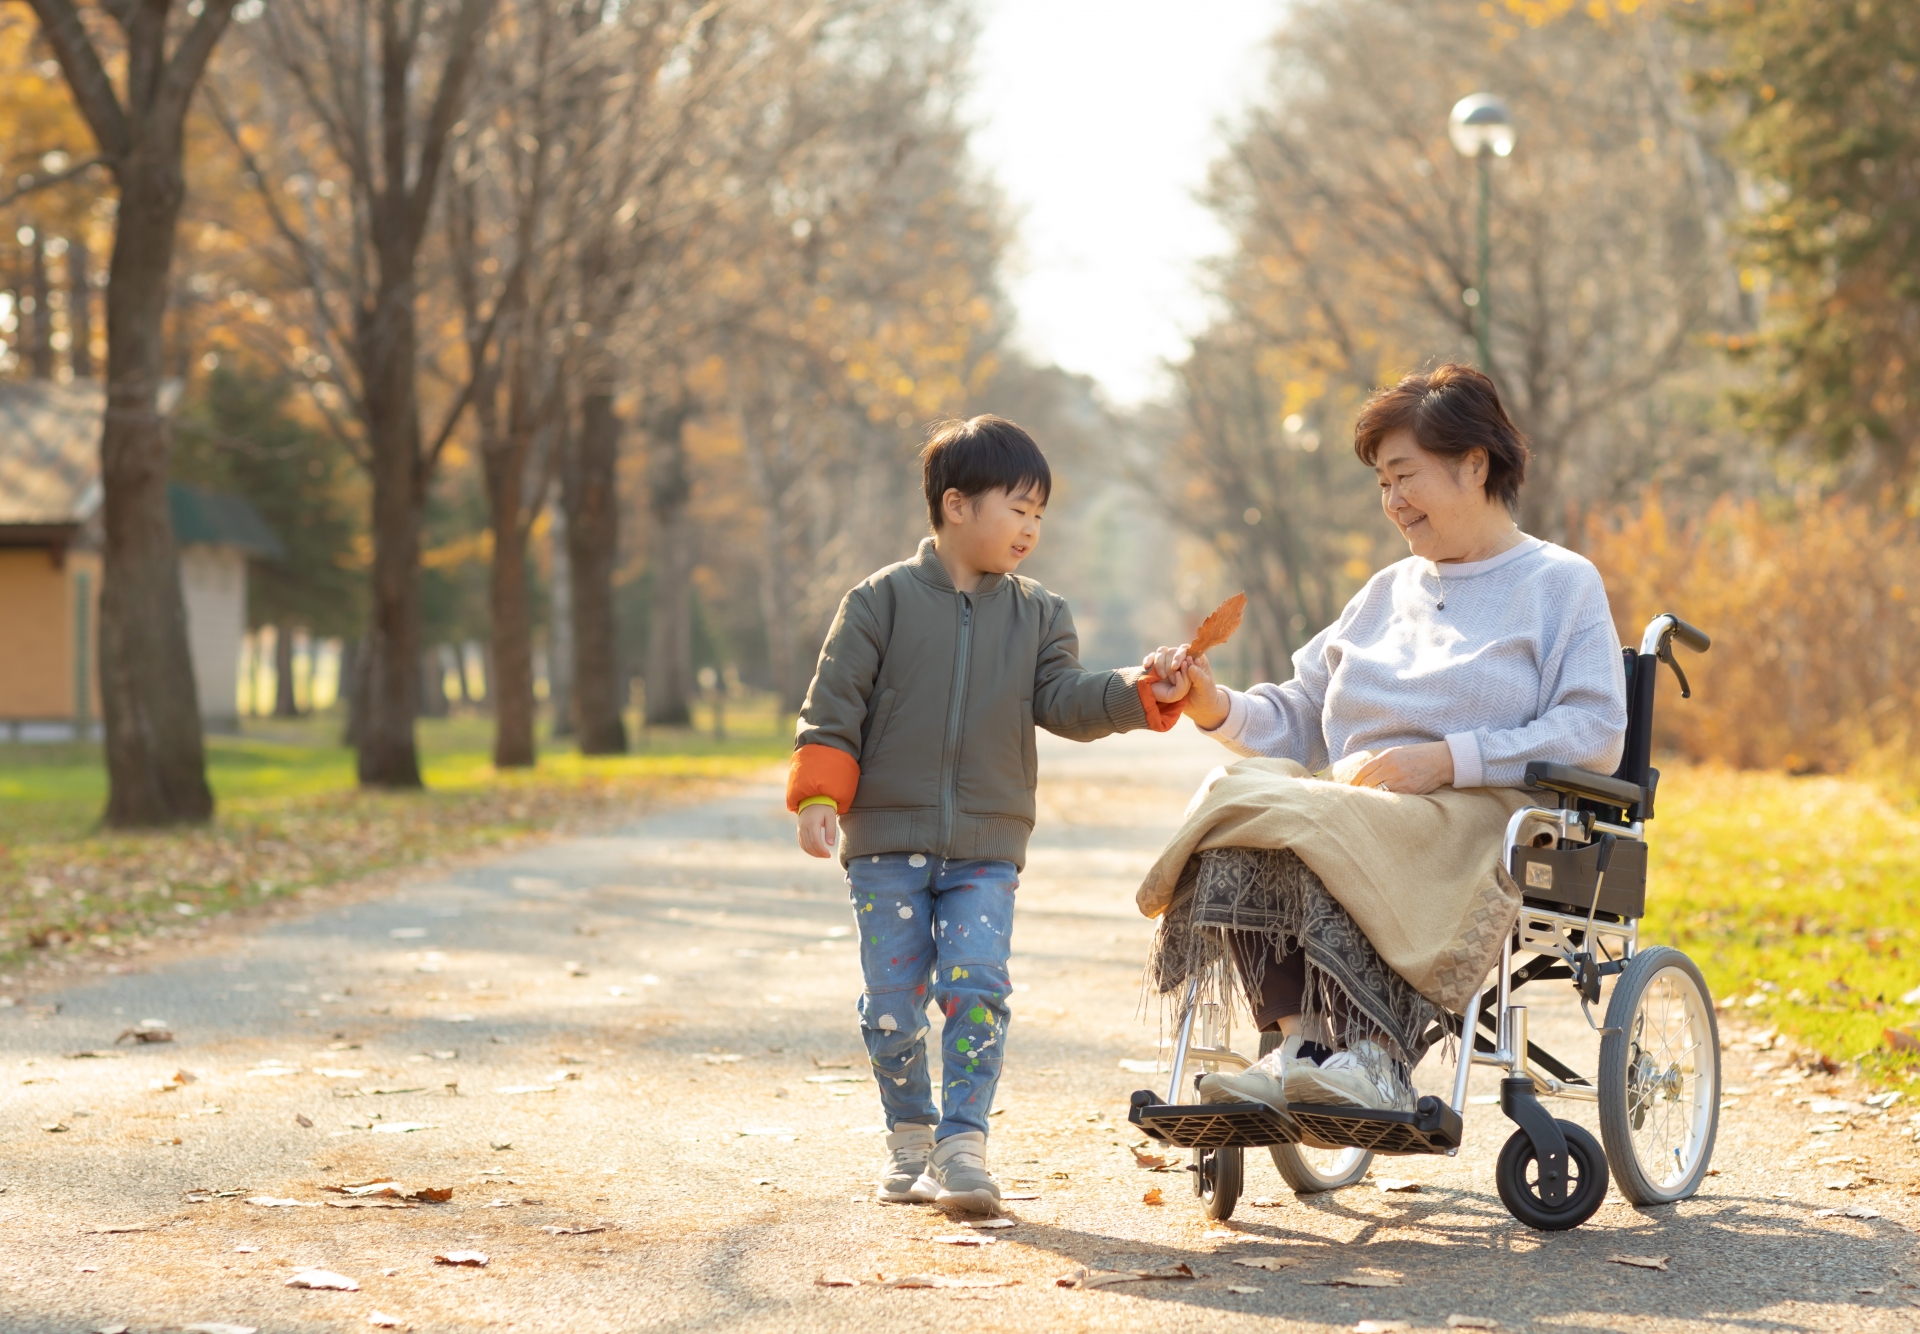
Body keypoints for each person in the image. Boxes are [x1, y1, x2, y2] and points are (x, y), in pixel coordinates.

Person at [1143, 363, 1627, 1114]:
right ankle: (1302, 1044)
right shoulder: (1381, 594)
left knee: (1317, 818)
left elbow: (1594, 730)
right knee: (1236, 795)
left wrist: (1446, 760)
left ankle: (1373, 1058)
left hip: (1479, 820)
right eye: (1381, 484)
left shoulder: (1558, 583)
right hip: (1360, 808)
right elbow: (1302, 714)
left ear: (1474, 464)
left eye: (1405, 476)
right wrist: (1212, 704)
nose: (1393, 502)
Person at [789, 415, 1186, 1212]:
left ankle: (963, 1144)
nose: (1031, 527)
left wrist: (1141, 693)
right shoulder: (879, 602)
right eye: (1019, 508)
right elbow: (834, 704)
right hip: (887, 844)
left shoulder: (1040, 615)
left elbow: (1066, 700)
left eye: (1041, 512)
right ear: (957, 505)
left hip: (986, 846)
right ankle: (910, 1138)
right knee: (892, 1005)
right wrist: (822, 792)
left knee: (978, 986)